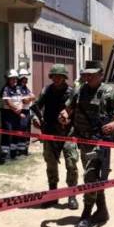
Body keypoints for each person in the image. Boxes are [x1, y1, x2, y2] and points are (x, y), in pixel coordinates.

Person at [60, 60, 114, 227]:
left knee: (91, 176)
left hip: (99, 141)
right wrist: (64, 115)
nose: (88, 77)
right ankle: (102, 210)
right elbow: (68, 108)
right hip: (82, 140)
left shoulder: (108, 92)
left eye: (92, 74)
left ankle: (86, 215)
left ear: (101, 75)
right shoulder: (79, 90)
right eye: (86, 74)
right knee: (95, 178)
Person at [31, 64, 80, 210]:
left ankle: (72, 196)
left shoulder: (72, 92)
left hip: (67, 133)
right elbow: (36, 106)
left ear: (65, 77)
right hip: (50, 132)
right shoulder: (46, 90)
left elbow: (79, 112)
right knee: (51, 165)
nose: (57, 79)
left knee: (71, 164)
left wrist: (69, 120)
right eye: (54, 76)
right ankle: (53, 195)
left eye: (60, 76)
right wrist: (35, 118)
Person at [0, 69, 24, 162]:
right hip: (8, 115)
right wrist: (18, 111)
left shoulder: (18, 88)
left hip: (16, 114)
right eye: (12, 79)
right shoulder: (6, 89)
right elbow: (8, 103)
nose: (14, 81)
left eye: (15, 79)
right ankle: (5, 156)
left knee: (16, 133)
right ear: (8, 80)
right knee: (7, 133)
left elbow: (21, 100)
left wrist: (20, 108)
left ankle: (13, 154)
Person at [17, 69, 35, 156]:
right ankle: (20, 151)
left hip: (27, 111)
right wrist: (29, 98)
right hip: (22, 111)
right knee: (22, 129)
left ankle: (25, 150)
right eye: (25, 77)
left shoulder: (25, 88)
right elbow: (25, 101)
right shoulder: (18, 88)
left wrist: (29, 98)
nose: (26, 79)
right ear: (21, 78)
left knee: (28, 131)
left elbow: (33, 97)